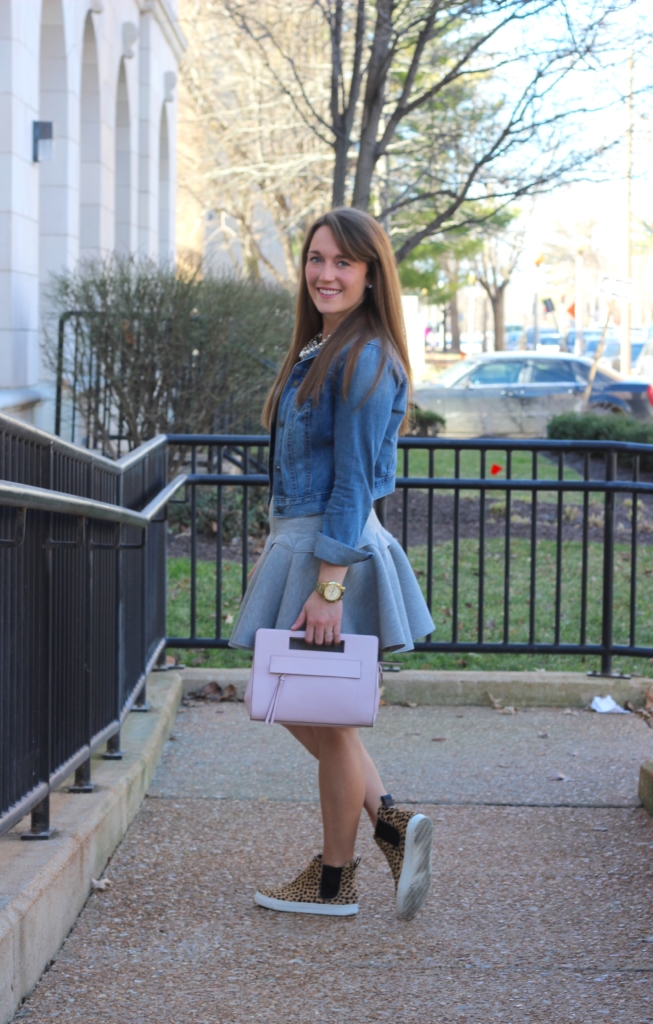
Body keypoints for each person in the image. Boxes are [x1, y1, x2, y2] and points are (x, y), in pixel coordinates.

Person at [230, 207, 435, 920]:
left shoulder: (363, 356)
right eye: (316, 259)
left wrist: (327, 585)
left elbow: (354, 483)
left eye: (343, 262)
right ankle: (387, 828)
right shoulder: (323, 347)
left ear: (371, 274)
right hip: (309, 541)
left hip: (333, 551)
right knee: (311, 713)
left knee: (322, 716)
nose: (325, 273)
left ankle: (336, 876)